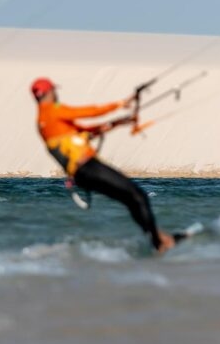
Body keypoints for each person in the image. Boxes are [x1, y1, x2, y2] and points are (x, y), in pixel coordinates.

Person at [31, 78, 176, 253]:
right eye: (54, 90)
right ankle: (159, 244)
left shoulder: (44, 121)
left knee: (131, 200)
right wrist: (121, 103)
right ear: (48, 92)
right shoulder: (53, 110)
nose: (56, 94)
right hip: (89, 168)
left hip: (82, 175)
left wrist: (116, 123)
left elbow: (84, 132)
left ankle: (156, 238)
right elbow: (90, 111)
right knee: (139, 196)